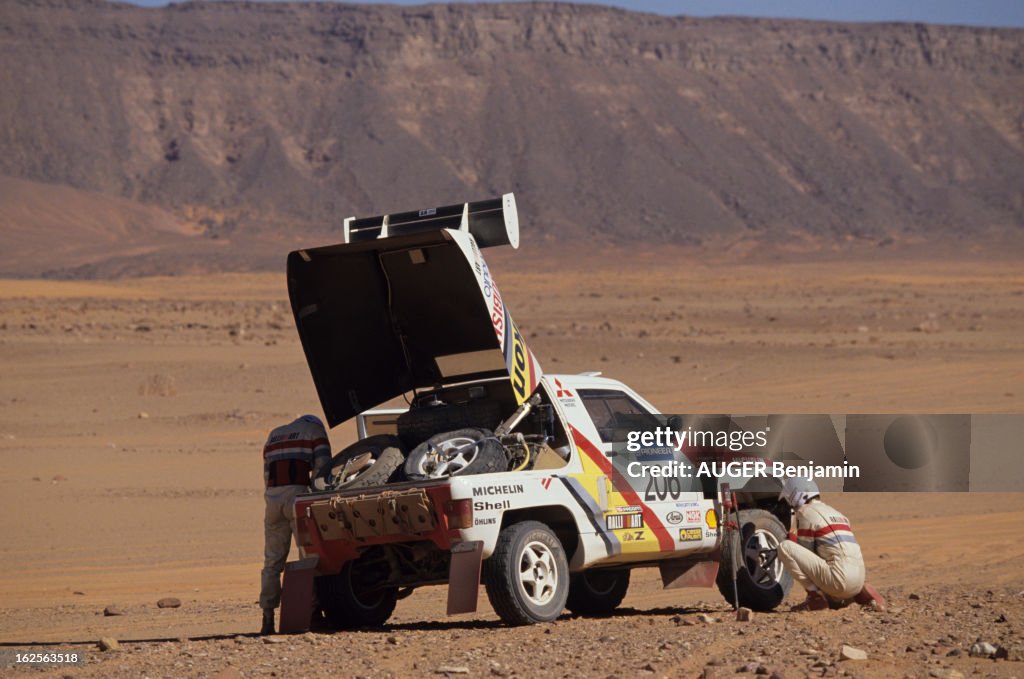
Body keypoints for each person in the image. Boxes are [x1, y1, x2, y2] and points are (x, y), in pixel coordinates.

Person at [260, 414, 331, 635]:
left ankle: (267, 618)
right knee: (307, 558)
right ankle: (311, 613)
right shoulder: (315, 433)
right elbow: (323, 472)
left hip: (272, 501)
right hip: (298, 500)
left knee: (272, 561)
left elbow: (266, 474)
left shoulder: (274, 435)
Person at [776, 477, 885, 611]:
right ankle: (859, 591)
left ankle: (815, 598)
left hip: (838, 580)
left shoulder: (805, 513)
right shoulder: (838, 514)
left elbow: (807, 556)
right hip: (858, 577)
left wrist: (792, 539)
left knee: (785, 547)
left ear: (795, 495)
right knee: (839, 560)